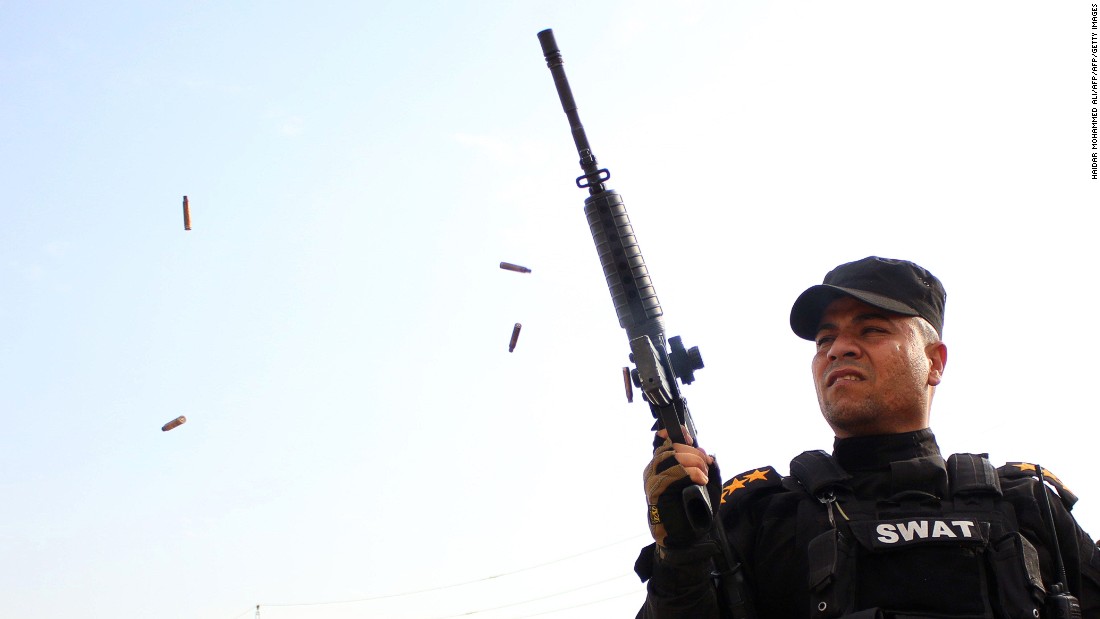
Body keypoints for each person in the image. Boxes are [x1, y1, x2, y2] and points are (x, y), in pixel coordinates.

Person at [635, 256, 1100, 619]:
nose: (839, 348)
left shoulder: (1027, 507)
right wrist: (680, 555)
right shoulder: (762, 516)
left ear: (934, 361)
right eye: (824, 340)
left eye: (872, 329)